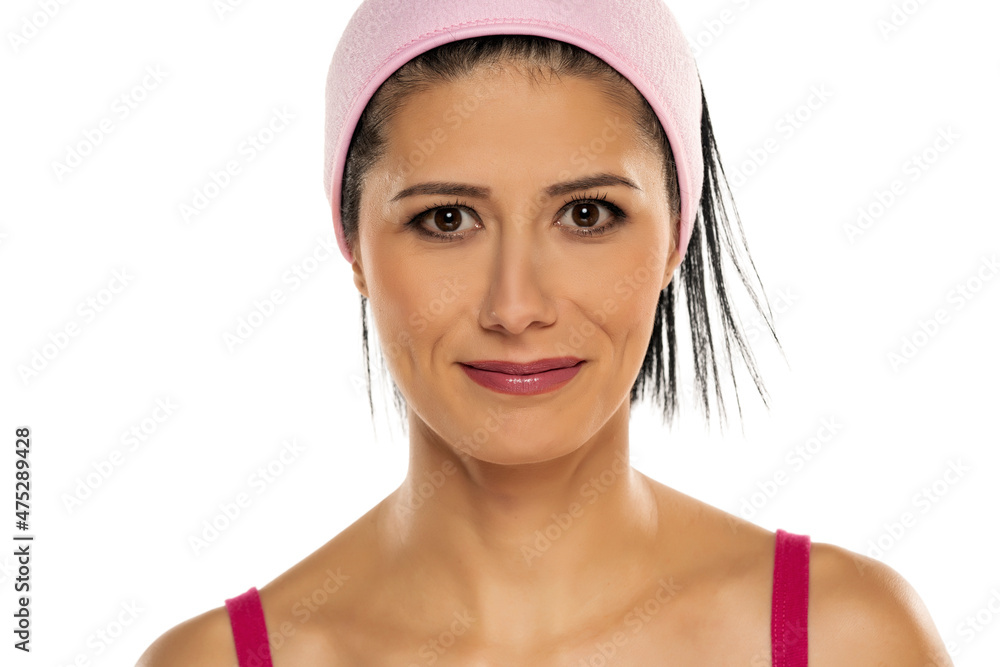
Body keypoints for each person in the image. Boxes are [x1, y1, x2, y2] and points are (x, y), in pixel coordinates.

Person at [138, 0, 954, 664]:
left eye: (588, 214)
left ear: (676, 235)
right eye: (446, 218)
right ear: (353, 243)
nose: (515, 304)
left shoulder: (846, 639)